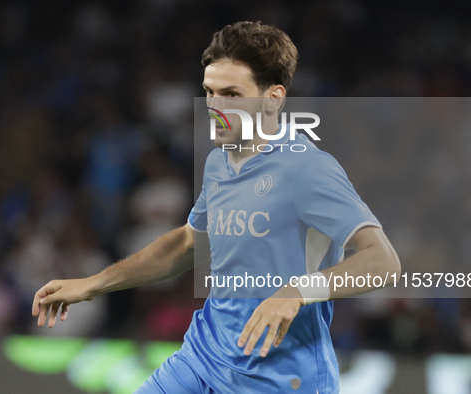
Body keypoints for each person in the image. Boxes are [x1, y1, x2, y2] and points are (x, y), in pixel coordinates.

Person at [32, 21, 400, 393]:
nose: (215, 106)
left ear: (273, 97)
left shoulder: (307, 168)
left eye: (231, 94)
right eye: (209, 92)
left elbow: (383, 262)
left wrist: (296, 291)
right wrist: (92, 285)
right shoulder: (219, 161)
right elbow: (189, 244)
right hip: (202, 360)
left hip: (281, 379)